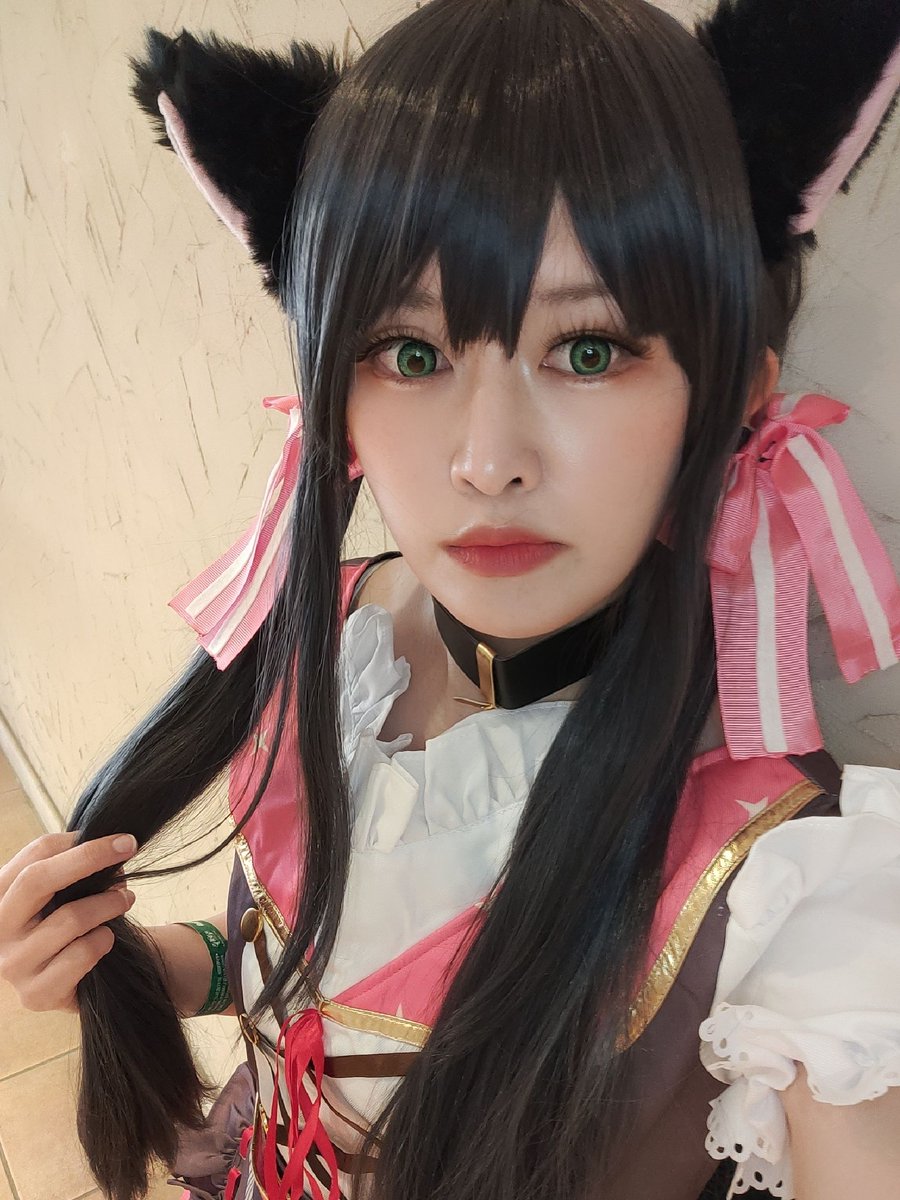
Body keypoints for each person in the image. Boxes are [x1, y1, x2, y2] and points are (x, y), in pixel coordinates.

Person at [0, 1, 899, 1198]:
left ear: (736, 388)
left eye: (589, 350)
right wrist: (134, 965)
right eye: (411, 354)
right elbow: (305, 963)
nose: (487, 461)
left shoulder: (797, 878)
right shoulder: (333, 630)